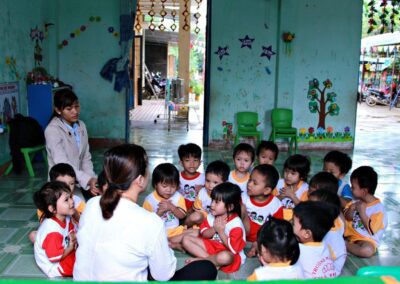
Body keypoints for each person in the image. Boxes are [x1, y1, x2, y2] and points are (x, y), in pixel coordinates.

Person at [73, 144, 217, 281]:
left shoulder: (91, 204)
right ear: (141, 180)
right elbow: (163, 275)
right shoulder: (149, 221)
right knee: (207, 268)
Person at [45, 88, 99, 196]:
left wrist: (93, 181)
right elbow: (62, 163)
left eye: (77, 106)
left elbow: (85, 158)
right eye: (69, 108)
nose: (75, 111)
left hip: (78, 181)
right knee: (75, 208)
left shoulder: (81, 126)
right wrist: (87, 180)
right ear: (58, 110)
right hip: (62, 184)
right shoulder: (52, 130)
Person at [182, 182, 246, 273]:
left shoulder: (236, 224)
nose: (211, 205)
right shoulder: (211, 216)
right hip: (212, 246)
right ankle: (210, 261)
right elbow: (204, 234)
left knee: (225, 257)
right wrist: (214, 229)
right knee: (186, 239)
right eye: (212, 200)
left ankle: (203, 260)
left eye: (216, 202)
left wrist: (220, 232)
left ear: (230, 207)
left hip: (229, 253)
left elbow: (233, 249)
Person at [143, 163, 197, 250]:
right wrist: (159, 213)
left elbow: (182, 215)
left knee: (197, 232)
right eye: (164, 186)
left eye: (173, 186)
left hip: (176, 231)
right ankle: (172, 243)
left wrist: (171, 207)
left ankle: (170, 242)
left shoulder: (178, 197)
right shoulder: (149, 200)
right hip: (159, 233)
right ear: (155, 184)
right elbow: (147, 224)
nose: (169, 190)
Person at [29, 163, 85, 243]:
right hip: (55, 234)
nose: (68, 188)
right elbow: (45, 225)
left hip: (72, 233)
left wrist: (75, 214)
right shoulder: (46, 204)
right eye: (63, 184)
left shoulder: (77, 201)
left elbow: (85, 221)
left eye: (72, 183)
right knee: (33, 235)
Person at [33, 181, 77, 277]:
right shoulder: (52, 231)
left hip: (64, 250)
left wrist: (73, 236)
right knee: (81, 265)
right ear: (53, 209)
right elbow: (54, 257)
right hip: (54, 266)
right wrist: (70, 248)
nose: (72, 201)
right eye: (66, 200)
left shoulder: (65, 216)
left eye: (70, 197)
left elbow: (70, 229)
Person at [344, 166, 387, 258]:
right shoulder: (355, 200)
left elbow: (372, 230)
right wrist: (351, 209)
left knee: (367, 251)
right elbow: (347, 217)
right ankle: (346, 243)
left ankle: (344, 245)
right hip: (349, 235)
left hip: (366, 239)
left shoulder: (378, 209)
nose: (351, 189)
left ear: (364, 191)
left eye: (353, 187)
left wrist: (362, 212)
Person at [242, 164, 283, 258]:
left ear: (267, 190)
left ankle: (257, 246)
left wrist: (261, 241)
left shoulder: (275, 205)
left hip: (264, 239)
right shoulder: (243, 198)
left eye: (254, 183)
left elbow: (276, 229)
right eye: (249, 180)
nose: (249, 184)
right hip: (243, 236)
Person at [293, 201, 337, 279]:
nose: (290, 223)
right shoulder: (325, 245)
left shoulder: (298, 249)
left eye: (293, 223)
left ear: (307, 234)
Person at [309, 190, 346, 276]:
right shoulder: (322, 228)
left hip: (326, 274)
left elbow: (327, 263)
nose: (306, 208)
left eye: (311, 207)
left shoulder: (331, 236)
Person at [187, 160, 230, 227]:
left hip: (218, 225)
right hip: (202, 223)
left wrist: (205, 213)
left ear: (225, 183)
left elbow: (225, 218)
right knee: (194, 217)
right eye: (207, 181)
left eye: (215, 182)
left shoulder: (226, 197)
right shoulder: (202, 192)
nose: (210, 185)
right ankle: (185, 227)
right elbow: (196, 210)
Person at [273, 154, 310, 220]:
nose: (288, 176)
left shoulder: (305, 189)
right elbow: (270, 202)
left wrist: (292, 196)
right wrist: (281, 196)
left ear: (302, 176)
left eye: (293, 173)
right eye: (286, 171)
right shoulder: (278, 183)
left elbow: (305, 209)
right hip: (278, 218)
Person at [177, 143, 205, 210]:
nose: (192, 164)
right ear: (181, 163)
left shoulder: (204, 178)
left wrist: (204, 189)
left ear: (200, 163)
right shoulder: (177, 177)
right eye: (187, 160)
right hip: (180, 207)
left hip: (197, 208)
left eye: (195, 160)